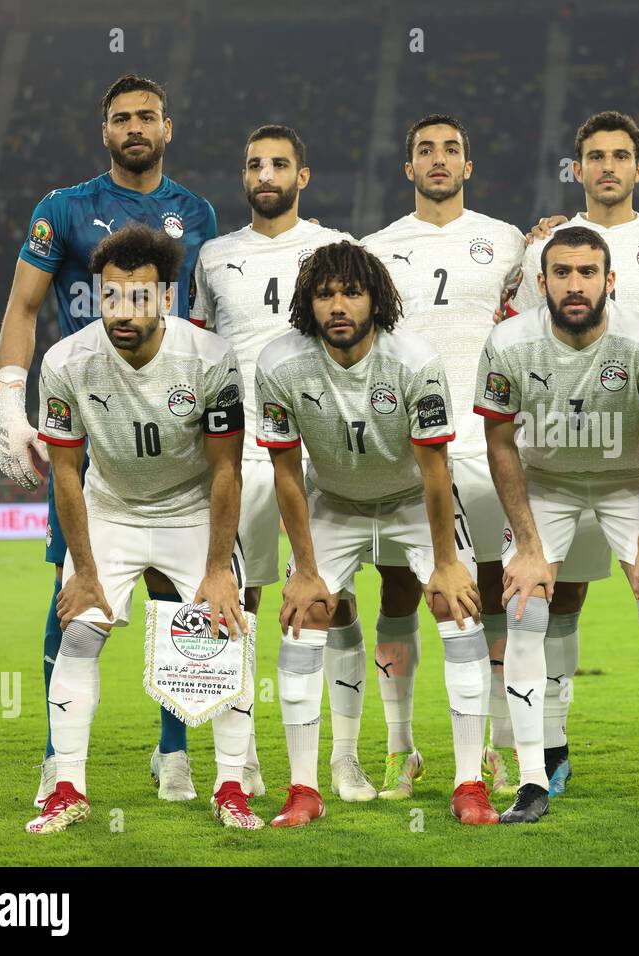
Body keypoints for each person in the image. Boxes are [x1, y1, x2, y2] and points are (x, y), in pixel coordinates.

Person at [0, 74, 220, 806]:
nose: (134, 127)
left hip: (175, 423)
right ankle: (59, 756)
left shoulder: (197, 213)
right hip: (88, 422)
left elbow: (212, 320)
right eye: (121, 118)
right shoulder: (62, 210)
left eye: (146, 116)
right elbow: (24, 307)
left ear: (167, 126)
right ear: (105, 131)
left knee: (174, 595)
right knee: (71, 590)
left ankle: (175, 749)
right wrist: (9, 406)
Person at [504, 111, 639, 796]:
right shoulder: (547, 245)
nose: (606, 167)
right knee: (555, 592)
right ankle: (554, 745)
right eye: (593, 156)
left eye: (620, 156)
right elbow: (510, 331)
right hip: (558, 454)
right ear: (577, 168)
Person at [257, 240, 498, 828]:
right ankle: (302, 790)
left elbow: (436, 470)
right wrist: (306, 570)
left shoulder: (414, 361)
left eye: (352, 292)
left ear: (376, 299)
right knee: (305, 614)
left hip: (413, 499)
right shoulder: (278, 364)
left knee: (456, 606)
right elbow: (286, 474)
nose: (339, 305)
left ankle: (469, 784)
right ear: (307, 303)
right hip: (333, 502)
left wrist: (444, 561)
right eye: (325, 294)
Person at [26, 223, 254, 833]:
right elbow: (67, 474)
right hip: (109, 511)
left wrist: (215, 570)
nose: (123, 311)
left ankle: (231, 784)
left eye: (140, 297)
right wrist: (86, 573)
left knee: (228, 633)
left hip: (190, 511)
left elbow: (227, 468)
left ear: (167, 299)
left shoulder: (211, 359)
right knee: (79, 633)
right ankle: (66, 787)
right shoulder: (65, 362)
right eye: (111, 296)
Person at [475, 227, 639, 823]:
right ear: (541, 283)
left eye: (588, 273)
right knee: (522, 605)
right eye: (563, 273)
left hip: (627, 479)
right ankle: (531, 781)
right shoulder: (509, 341)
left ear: (610, 280)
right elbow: (499, 440)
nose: (576, 285)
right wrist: (526, 544)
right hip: (546, 482)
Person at [359, 114, 525, 800]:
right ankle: (402, 747)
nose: (438, 159)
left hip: (486, 440)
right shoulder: (372, 248)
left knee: (494, 594)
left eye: (451, 148)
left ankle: (498, 747)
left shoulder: (507, 241)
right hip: (402, 447)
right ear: (408, 168)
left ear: (468, 165)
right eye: (424, 150)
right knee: (399, 589)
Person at [191, 124, 356, 799]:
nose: (266, 175)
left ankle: (343, 757)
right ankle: (245, 755)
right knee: (240, 599)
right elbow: (200, 350)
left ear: (303, 176)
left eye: (280, 164)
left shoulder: (332, 250)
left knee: (331, 600)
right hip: (239, 457)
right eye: (255, 164)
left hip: (314, 454)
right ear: (244, 177)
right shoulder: (213, 255)